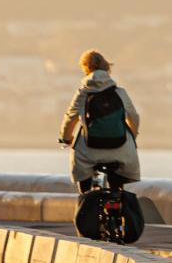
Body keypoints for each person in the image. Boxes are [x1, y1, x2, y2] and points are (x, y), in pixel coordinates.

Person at [58, 50, 141, 193]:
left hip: (89, 151)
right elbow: (134, 116)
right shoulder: (120, 92)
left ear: (86, 69)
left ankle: (85, 199)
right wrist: (132, 136)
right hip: (120, 149)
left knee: (83, 177)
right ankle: (118, 198)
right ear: (107, 68)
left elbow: (70, 118)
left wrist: (66, 138)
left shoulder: (83, 94)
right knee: (118, 184)